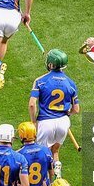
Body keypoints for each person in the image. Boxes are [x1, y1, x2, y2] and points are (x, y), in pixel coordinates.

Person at [29, 49, 80, 177]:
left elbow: (31, 104)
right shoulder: (71, 83)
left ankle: (44, 184)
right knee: (55, 150)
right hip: (63, 123)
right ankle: (57, 172)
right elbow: (76, 109)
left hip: (45, 123)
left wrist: (33, 121)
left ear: (51, 65)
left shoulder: (40, 81)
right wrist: (67, 114)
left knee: (40, 155)